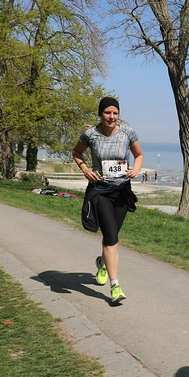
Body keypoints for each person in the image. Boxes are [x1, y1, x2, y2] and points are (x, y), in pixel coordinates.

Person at [73, 96, 143, 304]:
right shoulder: (90, 134)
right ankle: (115, 286)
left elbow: (139, 155)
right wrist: (85, 169)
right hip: (100, 191)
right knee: (111, 237)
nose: (111, 117)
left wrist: (136, 170)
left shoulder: (127, 133)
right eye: (107, 113)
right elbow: (77, 153)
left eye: (115, 113)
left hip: (121, 191)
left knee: (113, 235)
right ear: (100, 114)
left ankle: (102, 263)